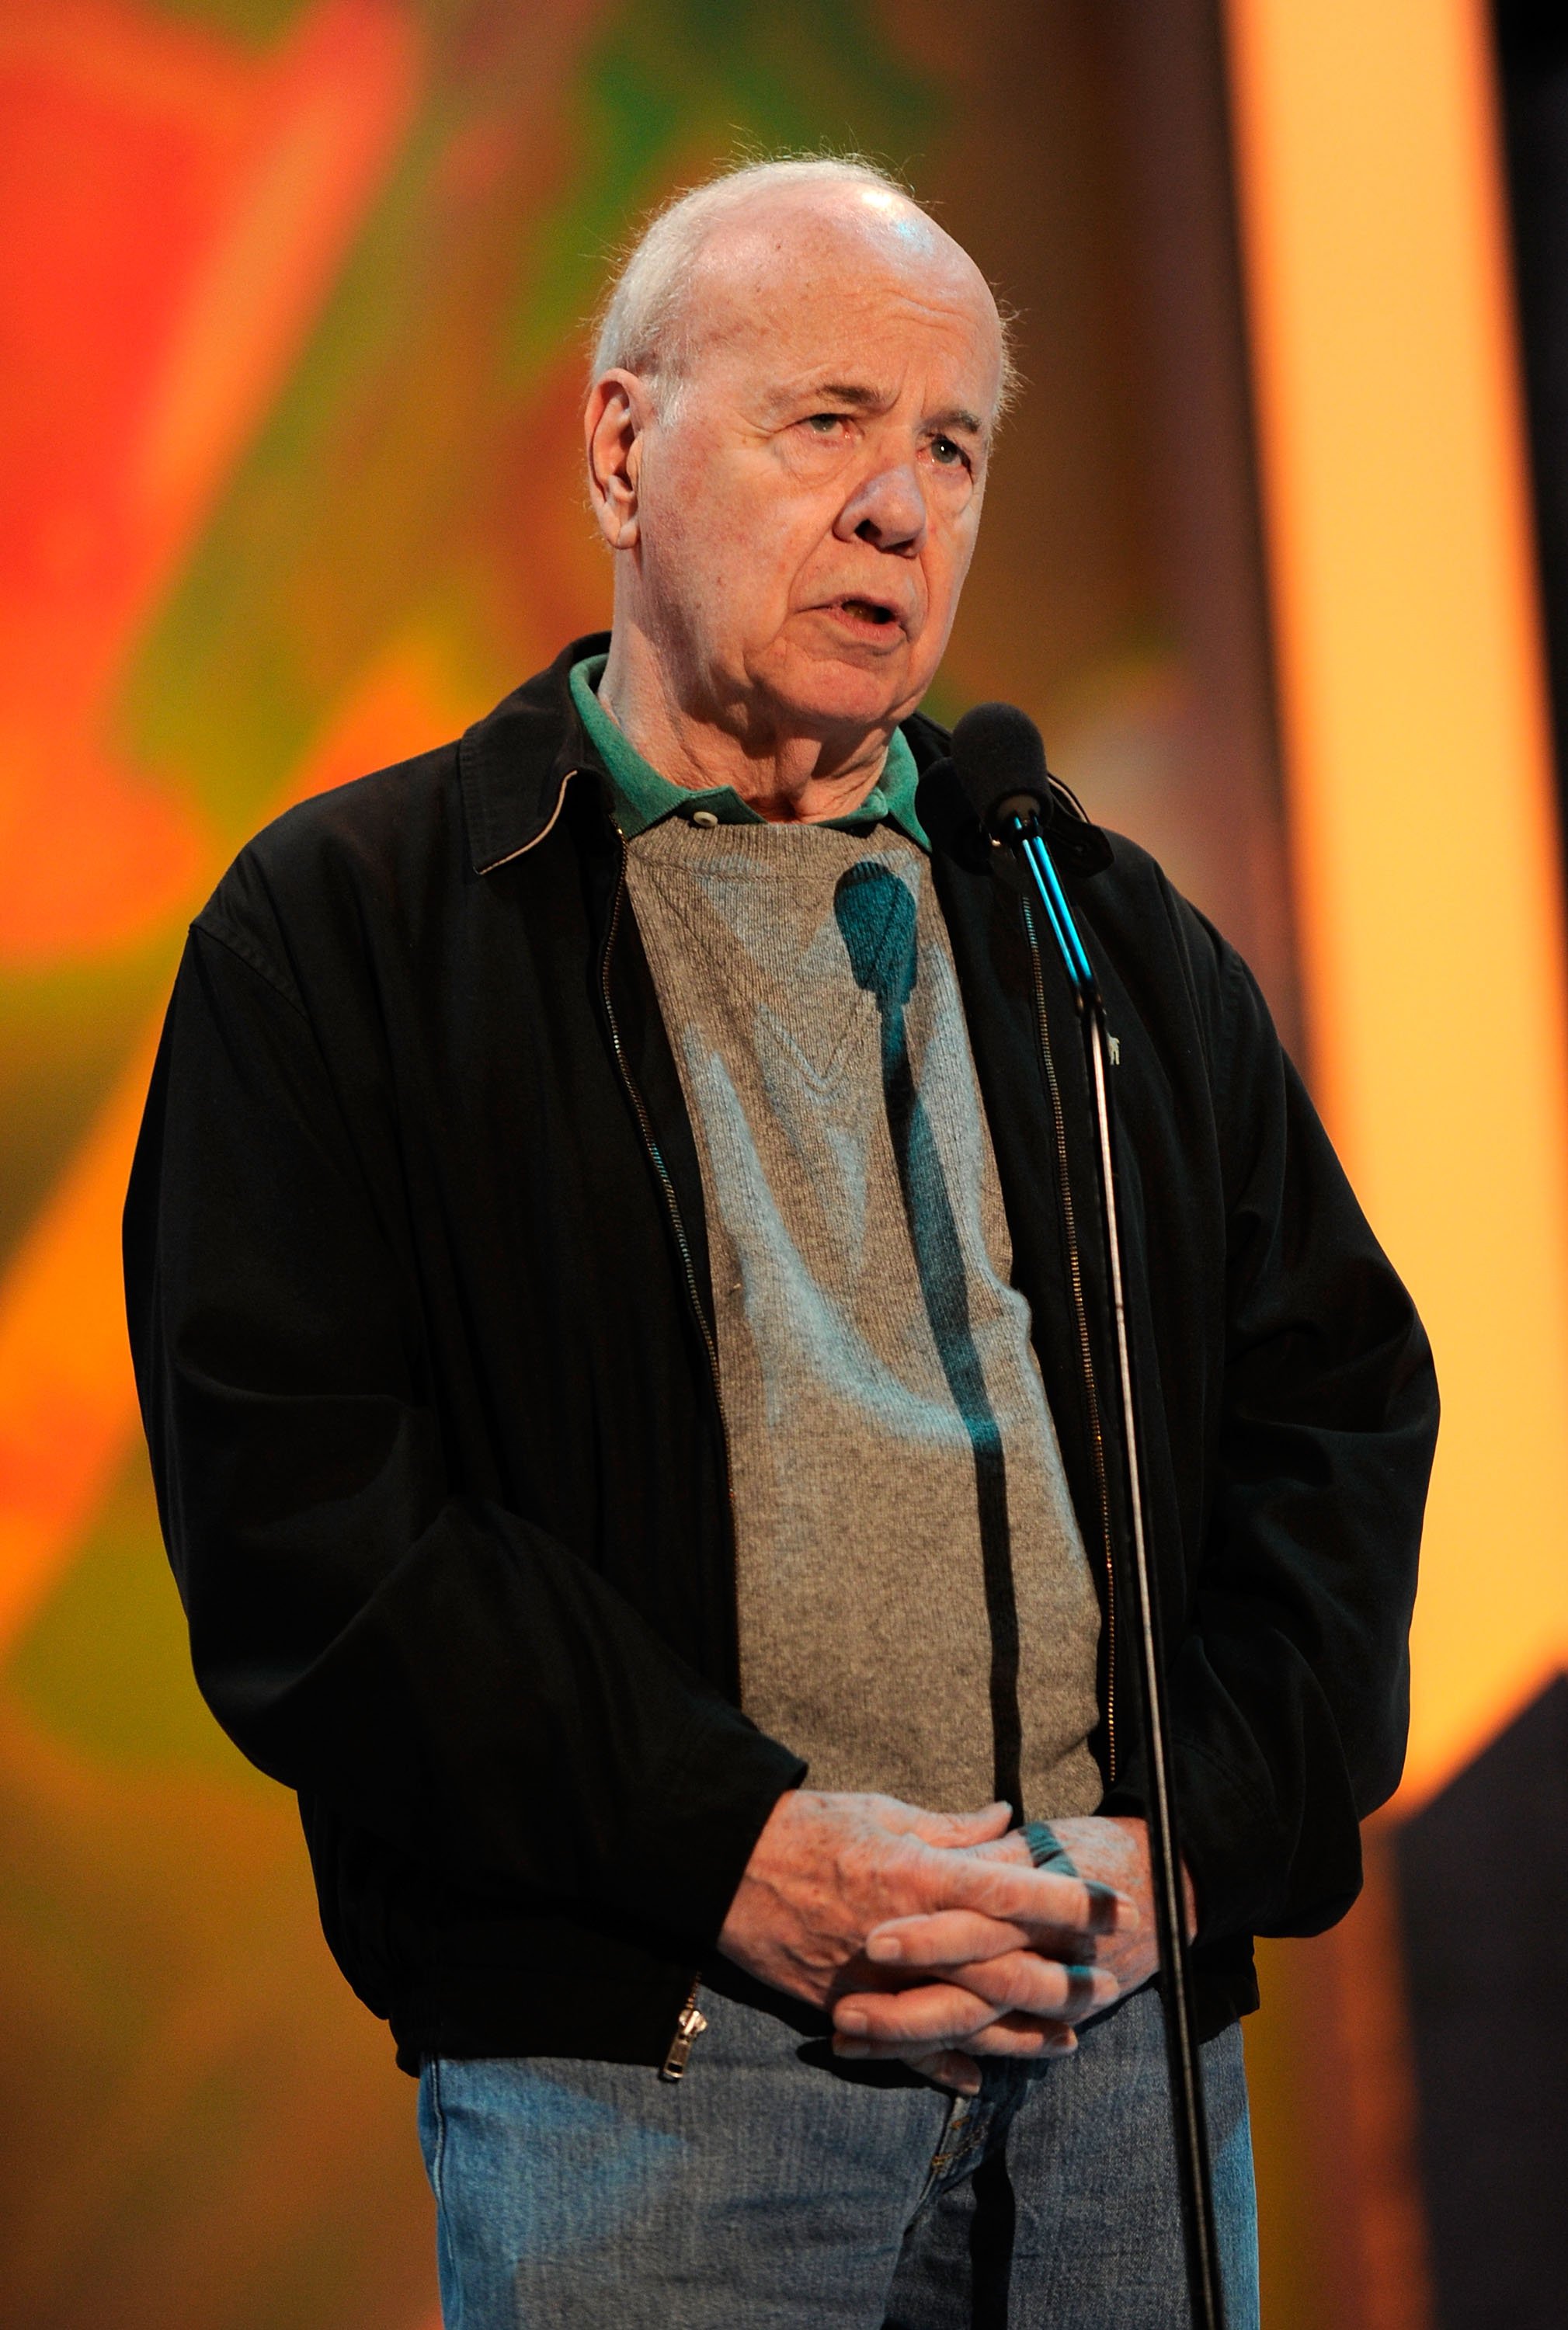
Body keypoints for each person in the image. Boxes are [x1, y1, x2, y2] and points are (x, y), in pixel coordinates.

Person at [123, 157, 1437, 2328]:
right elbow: (306, 1525)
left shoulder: (1081, 924)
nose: (902, 509)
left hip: (1113, 2068)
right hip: (655, 2084)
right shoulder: (357, 929)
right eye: (826, 421)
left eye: (951, 446)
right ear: (624, 447)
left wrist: (1181, 1848)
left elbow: (1336, 1409)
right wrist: (729, 1851)